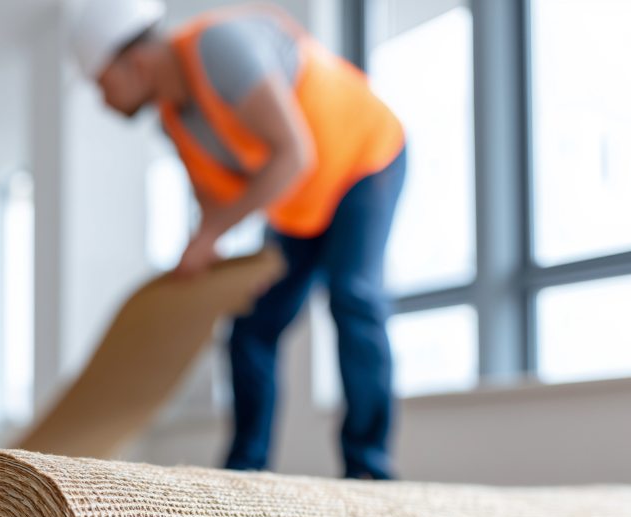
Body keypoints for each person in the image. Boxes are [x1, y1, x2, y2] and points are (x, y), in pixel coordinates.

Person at [72, 0, 406, 479]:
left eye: (104, 86)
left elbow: (294, 153)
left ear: (137, 64)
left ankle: (369, 466)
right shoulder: (173, 119)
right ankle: (246, 469)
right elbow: (214, 201)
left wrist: (212, 233)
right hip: (300, 206)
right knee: (252, 328)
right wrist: (203, 247)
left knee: (353, 295)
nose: (104, 101)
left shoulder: (219, 49)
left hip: (363, 161)